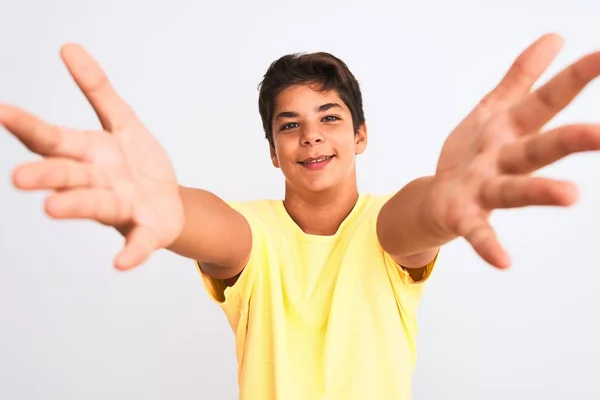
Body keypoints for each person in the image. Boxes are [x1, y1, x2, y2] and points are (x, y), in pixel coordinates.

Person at [1, 32, 599, 399]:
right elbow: (214, 227)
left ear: (361, 135)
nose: (311, 137)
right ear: (272, 150)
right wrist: (173, 209)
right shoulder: (252, 236)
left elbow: (411, 222)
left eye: (330, 117)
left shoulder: (388, 227)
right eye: (290, 125)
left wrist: (443, 200)